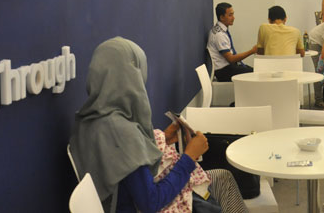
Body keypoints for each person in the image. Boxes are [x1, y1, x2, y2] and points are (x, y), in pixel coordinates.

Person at [70, 37, 247, 213]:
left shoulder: (90, 119)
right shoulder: (121, 132)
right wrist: (189, 157)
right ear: (131, 77)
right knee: (221, 186)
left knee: (223, 178)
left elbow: (126, 163)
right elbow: (152, 202)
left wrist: (162, 138)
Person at [207, 3, 257, 82]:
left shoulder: (220, 30)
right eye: (230, 15)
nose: (233, 18)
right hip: (223, 71)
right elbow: (231, 59)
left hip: (228, 67)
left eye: (233, 14)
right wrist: (252, 51)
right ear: (222, 17)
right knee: (254, 74)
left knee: (254, 71)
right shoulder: (219, 35)